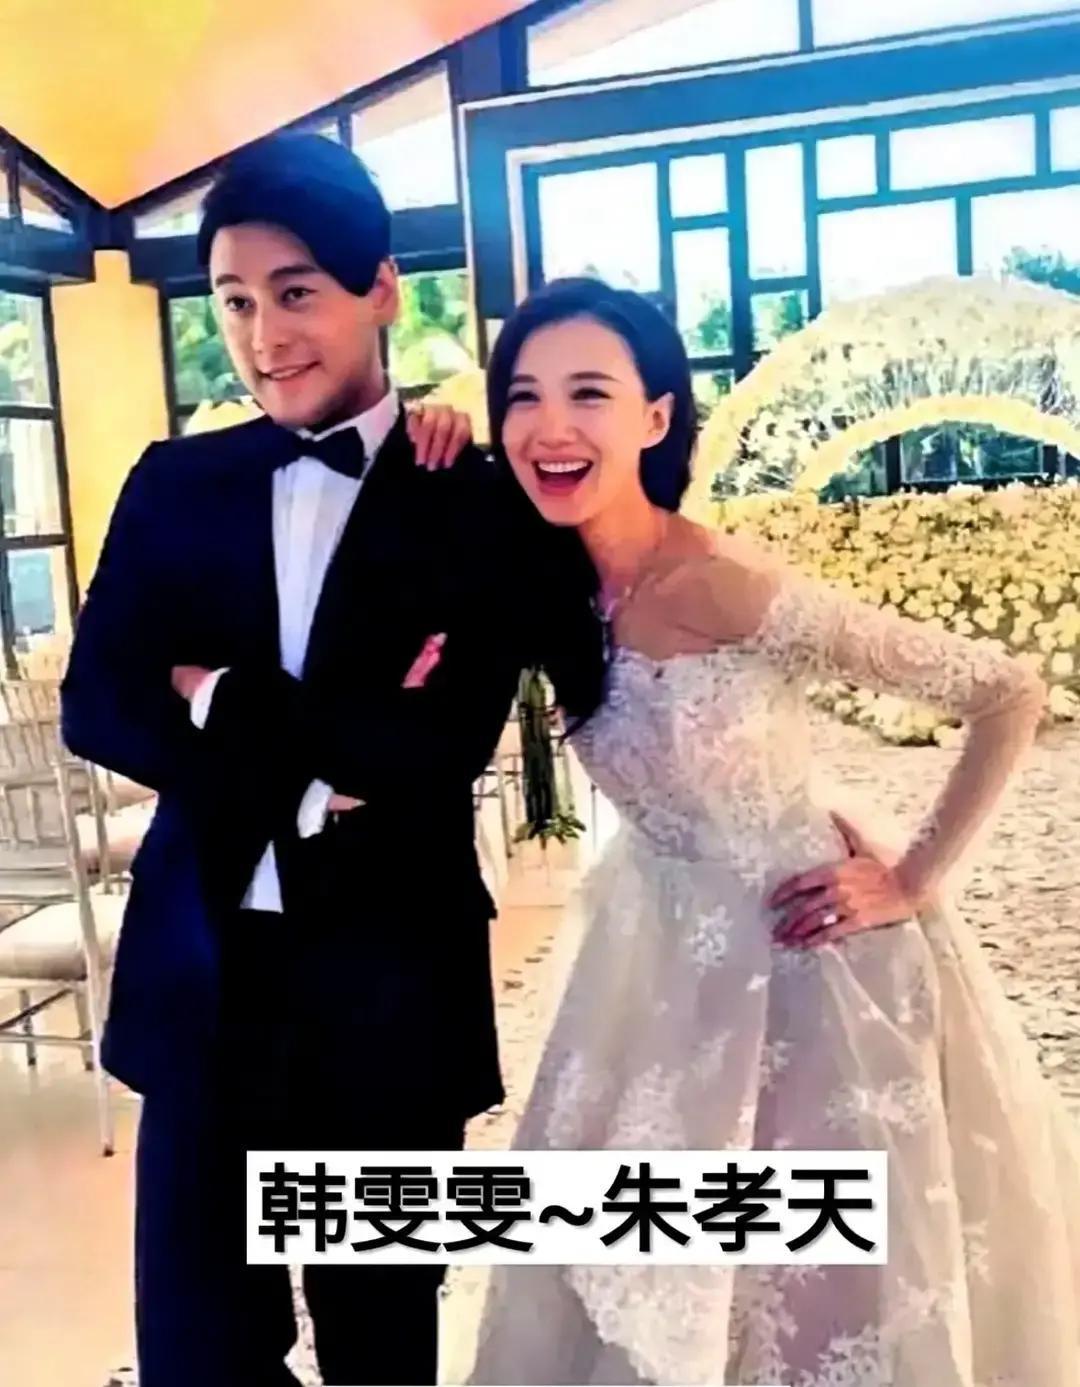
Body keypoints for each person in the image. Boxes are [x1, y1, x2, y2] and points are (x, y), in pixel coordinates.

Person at [465, 277, 1080, 1386]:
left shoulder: (728, 583)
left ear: (655, 416)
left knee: (810, 1293)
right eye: (523, 396)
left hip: (804, 959)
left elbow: (1006, 691)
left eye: (589, 393)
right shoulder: (547, 580)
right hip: (651, 956)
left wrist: (915, 876)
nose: (550, 426)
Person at [61, 134, 530, 1387]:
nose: (262, 336)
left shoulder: (471, 500)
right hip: (203, 984)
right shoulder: (174, 484)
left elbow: (436, 749)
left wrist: (221, 693)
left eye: (296, 292)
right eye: (233, 302)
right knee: (197, 1354)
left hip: (391, 987)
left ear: (381, 288)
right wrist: (318, 764)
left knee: (383, 1349)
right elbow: (97, 707)